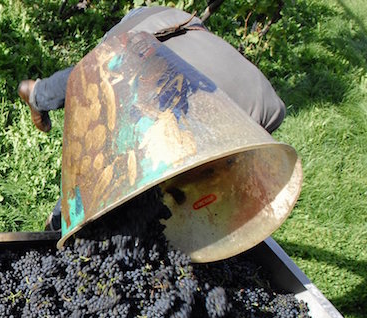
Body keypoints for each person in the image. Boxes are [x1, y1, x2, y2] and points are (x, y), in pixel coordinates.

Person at [17, 6, 287, 230]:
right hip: (146, 32)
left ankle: (38, 93)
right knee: (102, 119)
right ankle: (37, 94)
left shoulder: (263, 114)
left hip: (181, 29)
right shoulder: (159, 102)